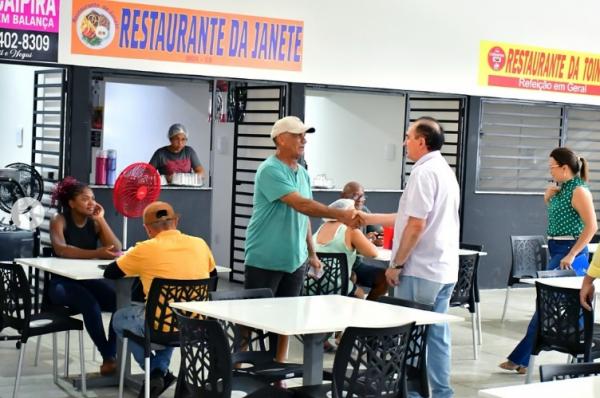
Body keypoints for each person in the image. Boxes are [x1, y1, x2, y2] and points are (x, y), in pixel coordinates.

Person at [244, 116, 360, 363]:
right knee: (250, 321)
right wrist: (339, 214)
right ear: (281, 139)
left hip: (295, 260)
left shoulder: (303, 174)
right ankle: (237, 369)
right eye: (298, 135)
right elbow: (302, 204)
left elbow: (304, 216)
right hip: (265, 257)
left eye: (304, 135)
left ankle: (279, 370)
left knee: (286, 319)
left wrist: (312, 253)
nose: (303, 140)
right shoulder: (270, 170)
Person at [360, 117, 460, 398]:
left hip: (420, 269)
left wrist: (397, 264)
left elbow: (416, 225)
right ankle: (441, 393)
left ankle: (413, 394)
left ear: (421, 141)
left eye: (408, 136)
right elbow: (407, 217)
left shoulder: (423, 173)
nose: (404, 142)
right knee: (437, 335)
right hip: (442, 270)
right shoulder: (443, 170)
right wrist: (368, 217)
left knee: (413, 336)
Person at [104, 201, 216, 398]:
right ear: (177, 221)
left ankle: (156, 370)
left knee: (119, 319)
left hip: (158, 325)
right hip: (195, 324)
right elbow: (212, 275)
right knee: (172, 317)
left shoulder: (144, 249)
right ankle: (159, 371)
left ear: (147, 228)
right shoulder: (200, 244)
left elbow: (111, 272)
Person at [500, 147, 597, 375]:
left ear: (564, 168)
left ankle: (522, 359)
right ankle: (580, 352)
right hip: (557, 248)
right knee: (556, 307)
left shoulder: (580, 191)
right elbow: (561, 219)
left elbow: (592, 227)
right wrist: (548, 199)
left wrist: (572, 254)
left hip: (569, 252)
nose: (549, 170)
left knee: (548, 307)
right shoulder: (561, 190)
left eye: (551, 166)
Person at [48, 176, 122, 376]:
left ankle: (111, 356)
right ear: (71, 203)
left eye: (93, 198)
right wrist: (96, 253)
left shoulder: (95, 223)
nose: (92, 203)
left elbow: (117, 248)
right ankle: (109, 357)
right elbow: (62, 249)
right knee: (90, 305)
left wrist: (101, 219)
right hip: (61, 284)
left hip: (87, 281)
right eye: (85, 198)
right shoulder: (59, 219)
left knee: (119, 304)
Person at [313, 198, 378, 299]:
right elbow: (373, 253)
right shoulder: (351, 231)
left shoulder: (320, 228)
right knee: (360, 293)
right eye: (353, 213)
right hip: (335, 287)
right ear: (345, 214)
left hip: (311, 285)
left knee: (353, 277)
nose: (356, 216)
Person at [340, 181, 388, 300]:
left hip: (357, 264)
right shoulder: (336, 211)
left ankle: (368, 309)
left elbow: (379, 232)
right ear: (342, 196)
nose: (360, 199)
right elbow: (339, 241)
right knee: (352, 277)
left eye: (363, 195)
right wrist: (364, 240)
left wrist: (377, 238)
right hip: (340, 266)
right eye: (355, 195)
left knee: (386, 278)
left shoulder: (364, 210)